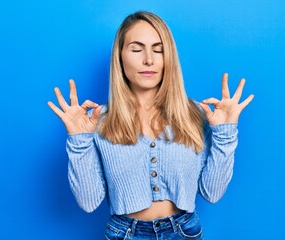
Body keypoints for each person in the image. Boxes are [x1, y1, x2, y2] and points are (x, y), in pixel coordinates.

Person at [48, 11, 254, 240]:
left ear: (169, 58)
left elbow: (212, 193)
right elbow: (88, 202)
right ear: (120, 57)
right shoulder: (98, 122)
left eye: (158, 49)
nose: (149, 59)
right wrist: (79, 141)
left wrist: (225, 134)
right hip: (123, 234)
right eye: (137, 49)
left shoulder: (195, 114)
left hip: (184, 233)